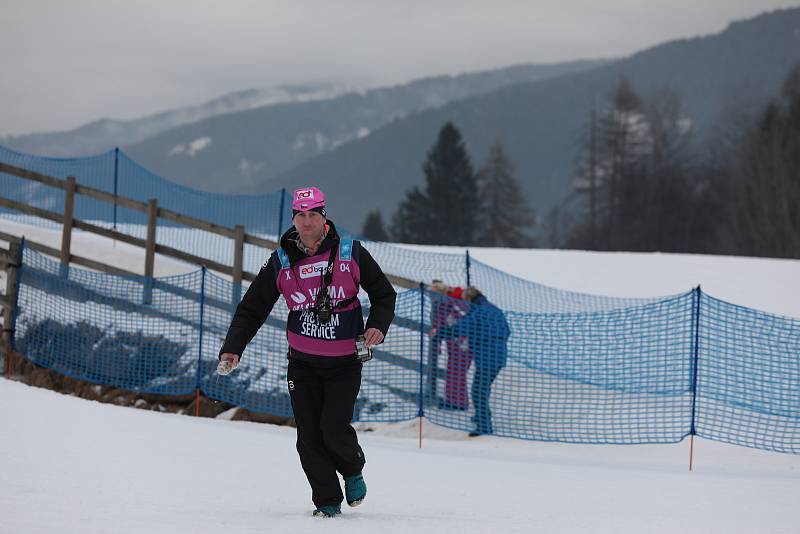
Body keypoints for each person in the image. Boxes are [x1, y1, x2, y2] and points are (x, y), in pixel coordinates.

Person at [217, 186, 396, 518]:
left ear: (324, 217)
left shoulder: (350, 252)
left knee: (333, 427)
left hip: (344, 362)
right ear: (294, 219)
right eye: (301, 215)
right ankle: (327, 502)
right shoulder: (282, 261)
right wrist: (232, 349)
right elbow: (251, 309)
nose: (307, 221)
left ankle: (352, 468)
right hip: (302, 364)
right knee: (308, 438)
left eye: (313, 215)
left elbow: (385, 295)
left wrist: (378, 326)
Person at [436, 286, 509, 436]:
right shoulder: (493, 309)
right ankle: (482, 417)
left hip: (486, 357)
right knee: (482, 389)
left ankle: (484, 427)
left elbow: (462, 328)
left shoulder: (477, 311)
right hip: (498, 356)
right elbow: (507, 330)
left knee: (478, 392)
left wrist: (440, 333)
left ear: (469, 298)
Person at [428, 281, 472, 410]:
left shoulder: (453, 305)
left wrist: (464, 342)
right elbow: (439, 326)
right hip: (455, 346)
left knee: (457, 372)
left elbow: (461, 323)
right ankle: (453, 400)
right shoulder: (442, 307)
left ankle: (459, 403)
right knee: (454, 371)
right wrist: (438, 342)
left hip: (463, 345)